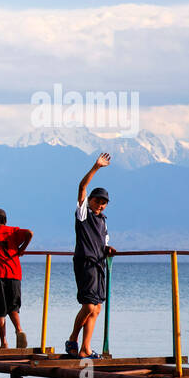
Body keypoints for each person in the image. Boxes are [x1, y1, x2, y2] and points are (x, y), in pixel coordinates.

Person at [67, 153, 117, 358]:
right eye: (98, 200)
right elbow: (81, 187)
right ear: (91, 200)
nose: (101, 204)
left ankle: (85, 349)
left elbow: (104, 243)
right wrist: (96, 167)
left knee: (96, 309)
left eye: (104, 202)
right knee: (88, 305)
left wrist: (108, 250)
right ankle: (72, 339)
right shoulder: (83, 213)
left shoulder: (103, 221)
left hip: (99, 265)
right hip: (85, 262)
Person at [0, 208, 33, 348]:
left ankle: (4, 342)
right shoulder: (14, 231)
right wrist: (22, 249)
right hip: (14, 273)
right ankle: (19, 330)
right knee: (13, 307)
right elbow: (30, 233)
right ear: (5, 220)